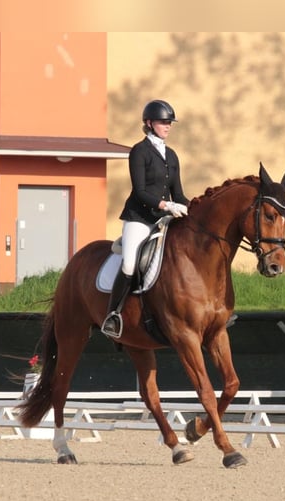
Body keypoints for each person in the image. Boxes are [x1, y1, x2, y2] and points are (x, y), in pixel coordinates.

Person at [101, 99, 190, 339]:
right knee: (130, 263)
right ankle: (113, 315)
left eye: (170, 122)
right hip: (139, 218)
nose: (168, 126)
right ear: (149, 124)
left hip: (163, 220)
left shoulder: (171, 155)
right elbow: (140, 191)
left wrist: (192, 208)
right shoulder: (139, 152)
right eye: (163, 122)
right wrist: (165, 204)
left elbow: (178, 193)